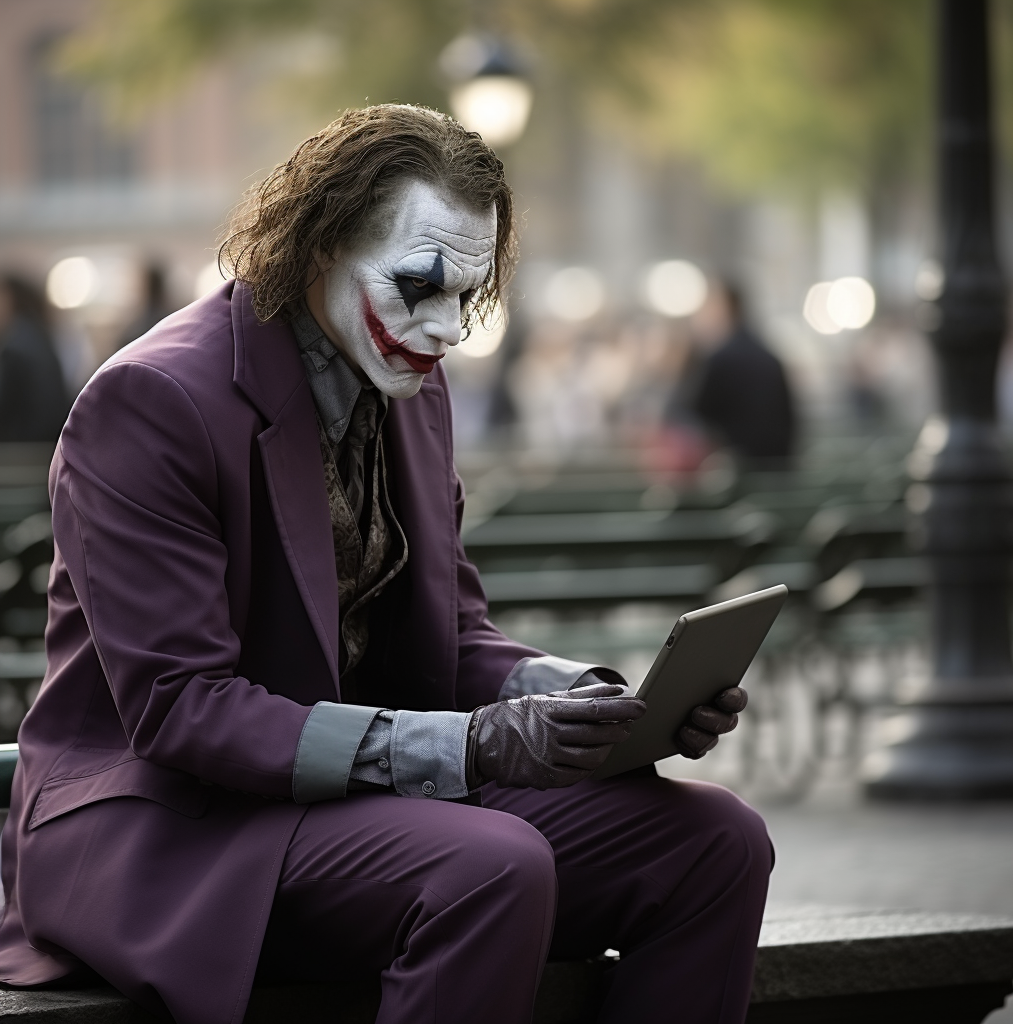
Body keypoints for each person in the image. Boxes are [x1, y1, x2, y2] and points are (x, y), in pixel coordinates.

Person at [0, 106, 771, 1024]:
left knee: (716, 840)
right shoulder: (150, 400)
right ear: (318, 244)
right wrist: (471, 743)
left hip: (359, 809)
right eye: (419, 286)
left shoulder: (409, 378)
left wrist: (593, 701)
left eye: (468, 298)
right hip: (173, 827)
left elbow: (452, 632)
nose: (449, 330)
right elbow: (180, 709)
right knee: (488, 867)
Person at [669, 280, 795, 467]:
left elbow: (692, 413)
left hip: (737, 472)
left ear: (724, 307)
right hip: (779, 469)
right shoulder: (770, 357)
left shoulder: (721, 359)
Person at [0, 276, 71, 443]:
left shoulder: (16, 345)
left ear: (12, 300)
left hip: (20, 455)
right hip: (44, 449)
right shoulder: (39, 336)